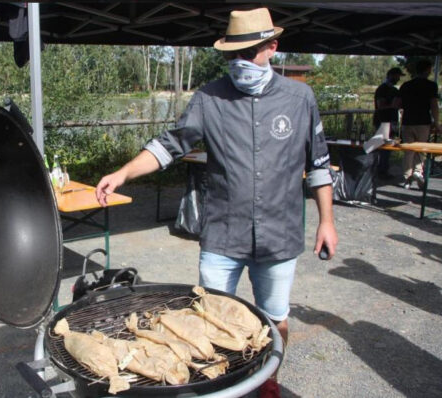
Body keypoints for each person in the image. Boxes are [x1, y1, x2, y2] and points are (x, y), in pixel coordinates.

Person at [95, 8, 338, 398]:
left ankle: (269, 377)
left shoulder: (300, 98)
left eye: (248, 53)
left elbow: (320, 164)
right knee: (209, 318)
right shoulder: (210, 98)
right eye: (231, 56)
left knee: (275, 318)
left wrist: (327, 221)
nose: (238, 64)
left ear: (271, 47)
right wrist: (123, 173)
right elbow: (171, 145)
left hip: (279, 234)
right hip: (224, 234)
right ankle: (226, 383)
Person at [396, 59, 440, 189]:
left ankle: (406, 178)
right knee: (421, 149)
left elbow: (398, 104)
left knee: (408, 151)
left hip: (407, 121)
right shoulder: (431, 85)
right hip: (423, 122)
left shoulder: (406, 85)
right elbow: (434, 105)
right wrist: (436, 122)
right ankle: (417, 171)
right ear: (427, 70)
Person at [373, 67, 404, 178]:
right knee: (382, 148)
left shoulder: (394, 89)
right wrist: (393, 105)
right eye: (397, 76)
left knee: (387, 148)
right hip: (383, 121)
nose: (398, 78)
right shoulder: (382, 89)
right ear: (390, 75)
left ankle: (382, 169)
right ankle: (380, 171)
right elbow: (380, 105)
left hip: (390, 121)